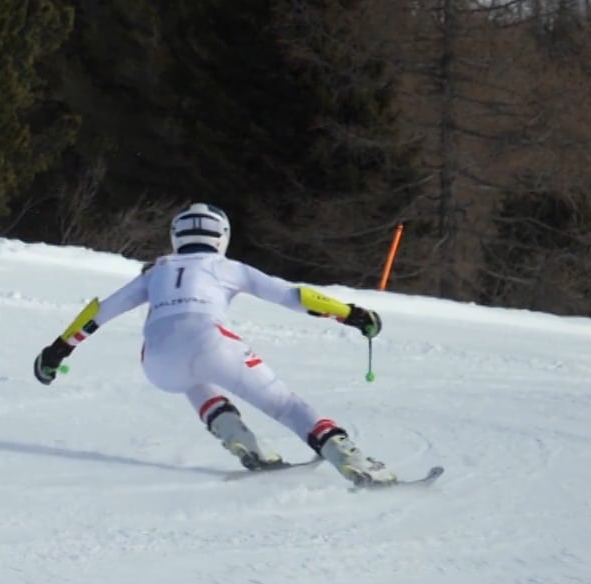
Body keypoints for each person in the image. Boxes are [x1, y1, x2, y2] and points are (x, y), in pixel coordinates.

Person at [31, 202, 396, 485]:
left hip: (156, 360)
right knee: (284, 404)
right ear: (222, 235)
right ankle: (348, 457)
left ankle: (233, 432)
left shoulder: (157, 269)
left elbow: (99, 311)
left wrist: (57, 351)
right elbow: (295, 296)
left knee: (192, 378)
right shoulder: (228, 267)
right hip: (210, 340)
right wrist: (351, 313)